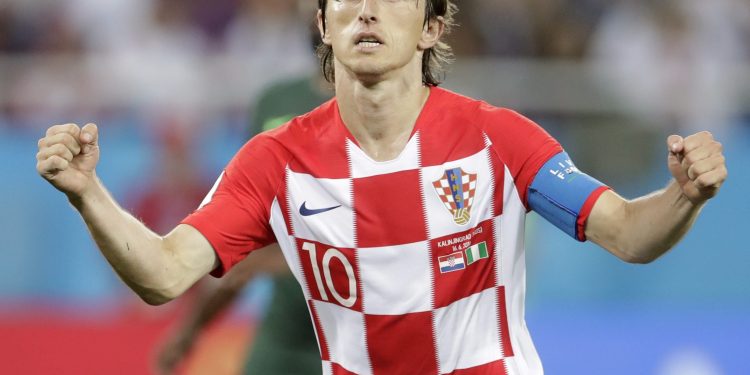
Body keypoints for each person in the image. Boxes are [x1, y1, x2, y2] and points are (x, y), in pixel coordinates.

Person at [36, 1, 728, 374]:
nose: (366, 10)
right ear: (323, 24)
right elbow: (162, 273)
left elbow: (631, 235)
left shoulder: (500, 138)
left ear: (431, 27)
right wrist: (88, 193)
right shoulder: (274, 161)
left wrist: (685, 195)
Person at [155, 71, 332, 375]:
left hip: (356, 334)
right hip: (284, 334)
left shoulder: (380, 112)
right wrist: (190, 330)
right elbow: (245, 250)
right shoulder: (276, 100)